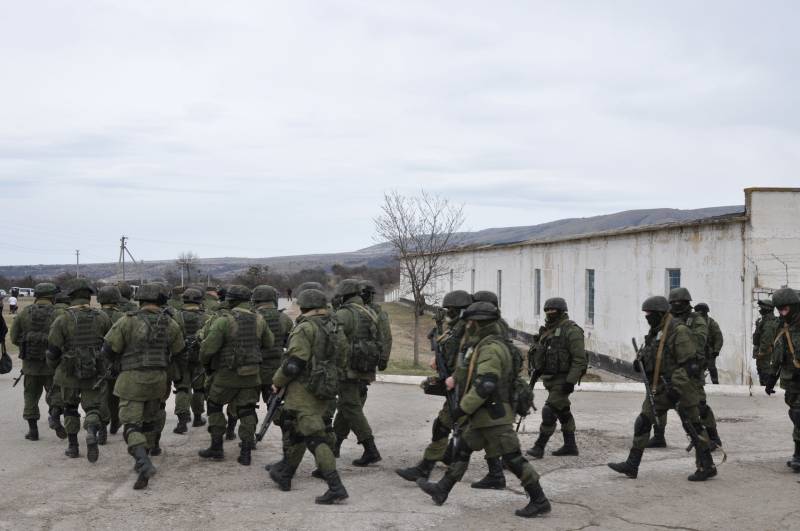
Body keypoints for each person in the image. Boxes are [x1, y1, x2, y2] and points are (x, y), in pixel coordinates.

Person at [416, 301, 551, 518]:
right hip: (485, 416)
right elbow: (468, 369)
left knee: (513, 459)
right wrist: (453, 380)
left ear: (479, 324)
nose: (466, 326)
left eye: (470, 322)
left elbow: (486, 383)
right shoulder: (484, 344)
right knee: (462, 449)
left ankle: (539, 500)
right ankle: (442, 489)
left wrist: (462, 408)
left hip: (494, 416)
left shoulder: (491, 348)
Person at [608, 295, 717, 481]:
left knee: (693, 427)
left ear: (659, 313)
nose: (647, 317)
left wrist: (676, 387)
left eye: (650, 314)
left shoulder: (678, 331)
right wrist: (640, 362)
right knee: (643, 421)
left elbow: (690, 365)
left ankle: (707, 465)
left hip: (681, 389)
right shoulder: (655, 331)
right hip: (659, 389)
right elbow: (652, 354)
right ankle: (632, 465)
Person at [268, 288, 349, 504]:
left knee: (314, 437)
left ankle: (336, 486)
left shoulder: (305, 328)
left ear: (304, 306)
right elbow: (343, 357)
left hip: (304, 391)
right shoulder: (334, 327)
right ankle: (285, 474)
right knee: (297, 432)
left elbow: (294, 364)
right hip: (326, 387)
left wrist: (277, 382)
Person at [101, 283, 184, 489]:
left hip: (131, 380)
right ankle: (143, 467)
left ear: (140, 300)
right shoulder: (170, 324)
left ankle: (143, 462)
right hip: (158, 380)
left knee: (131, 426)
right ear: (162, 301)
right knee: (148, 424)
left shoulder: (127, 321)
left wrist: (118, 362)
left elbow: (108, 349)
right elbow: (180, 353)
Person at [395, 289, 471, 482]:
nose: (448, 313)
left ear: (462, 310)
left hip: (463, 388)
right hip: (458, 386)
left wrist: (453, 377)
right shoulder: (455, 329)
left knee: (452, 426)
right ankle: (438, 461)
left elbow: (464, 361)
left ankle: (426, 468)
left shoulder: (466, 331)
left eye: (452, 310)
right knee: (450, 425)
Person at [198, 284, 273, 466]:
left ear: (230, 300)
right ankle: (246, 452)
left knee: (215, 406)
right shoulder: (259, 319)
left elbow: (208, 349)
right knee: (247, 410)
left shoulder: (224, 320)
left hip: (226, 375)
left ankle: (217, 447)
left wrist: (206, 365)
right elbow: (269, 343)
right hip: (251, 375)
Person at [47, 279, 112, 461]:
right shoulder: (102, 317)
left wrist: (55, 368)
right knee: (93, 408)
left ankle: (73, 446)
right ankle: (91, 432)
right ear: (88, 298)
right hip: (95, 372)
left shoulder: (62, 319)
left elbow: (53, 350)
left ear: (72, 298)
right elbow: (110, 345)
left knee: (70, 408)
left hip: (68, 373)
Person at [649, 288, 721, 449]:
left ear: (687, 303)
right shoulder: (668, 320)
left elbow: (697, 344)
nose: (675, 305)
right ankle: (659, 436)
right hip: (668, 371)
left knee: (699, 406)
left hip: (691, 371)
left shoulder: (697, 320)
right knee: (656, 403)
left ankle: (713, 438)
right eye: (672, 303)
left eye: (679, 302)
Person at [333, 280, 392, 452]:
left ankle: (370, 449)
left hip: (351, 367)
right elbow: (382, 338)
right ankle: (336, 444)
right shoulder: (368, 312)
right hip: (362, 366)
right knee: (348, 405)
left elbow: (337, 341)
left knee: (351, 406)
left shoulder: (350, 313)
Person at [526, 297, 587, 458]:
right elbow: (542, 356)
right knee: (562, 410)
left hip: (563, 379)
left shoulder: (571, 330)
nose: (549, 313)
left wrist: (571, 381)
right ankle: (570, 445)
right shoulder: (546, 332)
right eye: (547, 310)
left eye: (553, 310)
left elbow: (579, 359)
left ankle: (539, 447)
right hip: (550, 379)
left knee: (549, 410)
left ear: (561, 311)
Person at [10, 282, 64, 441]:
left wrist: (26, 344)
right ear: (52, 297)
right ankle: (54, 416)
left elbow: (14, 338)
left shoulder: (24, 313)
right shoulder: (59, 313)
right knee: (56, 394)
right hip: (53, 364)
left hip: (30, 365)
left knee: (31, 396)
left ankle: (33, 431)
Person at [764, 287, 800, 471]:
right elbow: (779, 352)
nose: (781, 313)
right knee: (794, 413)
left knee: (799, 415)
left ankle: (798, 455)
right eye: (779, 310)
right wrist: (772, 377)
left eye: (784, 309)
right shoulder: (784, 325)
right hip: (791, 379)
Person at [172, 288, 209, 432]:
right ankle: (198, 418)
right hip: (200, 358)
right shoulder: (207, 317)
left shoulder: (175, 317)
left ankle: (182, 422)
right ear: (200, 301)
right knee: (199, 389)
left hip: (180, 358)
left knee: (182, 388)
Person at [96, 286, 126, 441]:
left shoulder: (96, 315)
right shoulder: (124, 316)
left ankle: (102, 426)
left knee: (101, 395)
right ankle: (115, 421)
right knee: (116, 395)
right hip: (118, 362)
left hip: (98, 362)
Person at [694, 303, 723, 384]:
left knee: (711, 367)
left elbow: (718, 337)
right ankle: (698, 382)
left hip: (709, 350)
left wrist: (716, 350)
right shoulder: (694, 322)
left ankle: (715, 383)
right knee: (698, 367)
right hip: (697, 350)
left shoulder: (711, 323)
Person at [753, 299, 779, 386]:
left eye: (761, 308)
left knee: (765, 376)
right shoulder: (764, 321)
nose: (760, 310)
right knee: (762, 374)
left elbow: (766, 340)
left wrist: (761, 352)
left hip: (765, 357)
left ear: (767, 309)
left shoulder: (769, 323)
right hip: (764, 357)